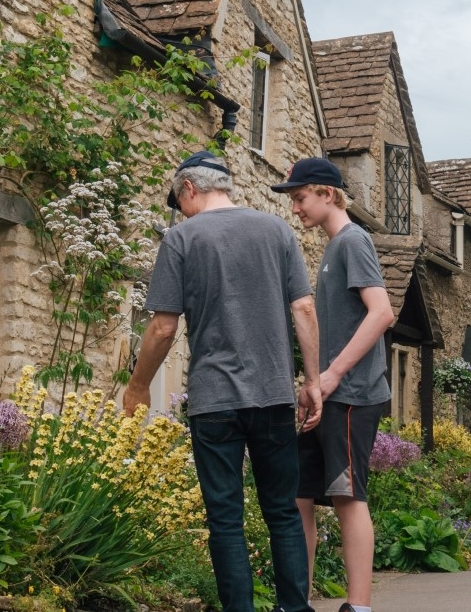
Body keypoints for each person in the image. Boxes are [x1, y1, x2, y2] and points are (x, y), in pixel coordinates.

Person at [124, 151, 322, 612]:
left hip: (215, 401)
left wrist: (137, 387)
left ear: (189, 189)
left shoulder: (182, 238)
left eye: (178, 201)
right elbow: (304, 309)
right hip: (273, 395)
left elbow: (163, 327)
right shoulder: (278, 231)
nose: (179, 211)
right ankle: (295, 608)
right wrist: (311, 382)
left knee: (226, 520)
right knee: (282, 512)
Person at [273, 158, 395, 612]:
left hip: (351, 396)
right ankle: (295, 601)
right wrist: (313, 384)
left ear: (328, 193)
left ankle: (358, 607)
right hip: (325, 397)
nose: (296, 209)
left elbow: (382, 313)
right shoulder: (331, 250)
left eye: (300, 198)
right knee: (300, 496)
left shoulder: (352, 241)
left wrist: (333, 373)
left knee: (346, 497)